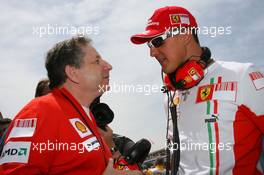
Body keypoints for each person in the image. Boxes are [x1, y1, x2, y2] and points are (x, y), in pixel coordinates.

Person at [131, 6, 264, 174]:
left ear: (186, 35)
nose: (152, 52)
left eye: (158, 41)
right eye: (149, 45)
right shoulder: (171, 94)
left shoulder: (242, 76)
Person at [0, 36, 142, 175]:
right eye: (97, 61)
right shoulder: (38, 113)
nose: (108, 66)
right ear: (73, 73)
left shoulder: (84, 115)